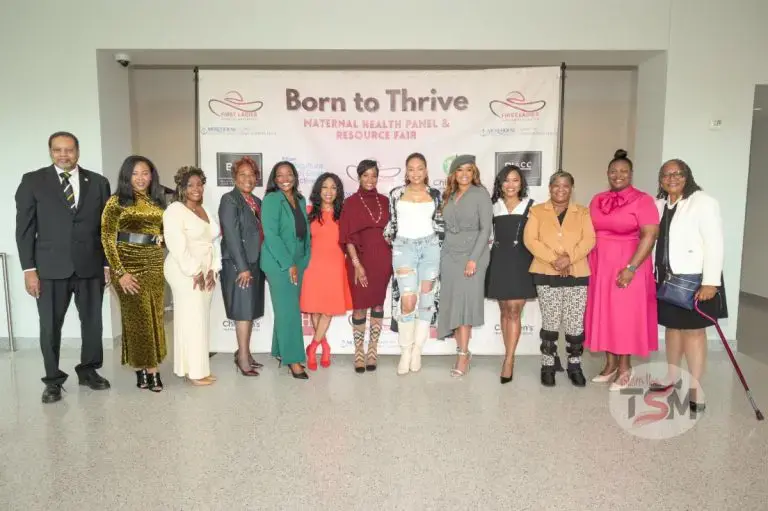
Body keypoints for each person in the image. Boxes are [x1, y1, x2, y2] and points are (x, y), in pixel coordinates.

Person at [15, 131, 112, 404]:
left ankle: (89, 370)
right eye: (57, 150)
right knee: (49, 327)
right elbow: (24, 229)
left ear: (77, 151)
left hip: (90, 266)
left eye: (68, 150)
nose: (63, 155)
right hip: (49, 268)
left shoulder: (98, 182)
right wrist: (28, 269)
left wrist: (107, 264)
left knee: (93, 323)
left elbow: (105, 229)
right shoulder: (33, 181)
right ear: (50, 152)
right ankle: (53, 380)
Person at [649, 159, 726, 413]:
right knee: (672, 329)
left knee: (693, 333)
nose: (672, 178)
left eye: (677, 174)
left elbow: (714, 243)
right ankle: (671, 377)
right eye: (666, 175)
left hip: (695, 281)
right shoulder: (659, 204)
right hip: (666, 279)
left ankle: (695, 387)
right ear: (660, 179)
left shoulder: (703, 202)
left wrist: (711, 283)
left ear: (687, 176)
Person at [585, 149, 660, 391]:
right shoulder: (597, 199)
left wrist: (631, 267)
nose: (618, 175)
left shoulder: (643, 200)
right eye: (614, 171)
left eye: (624, 171)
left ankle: (625, 368)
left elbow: (650, 236)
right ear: (607, 173)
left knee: (625, 316)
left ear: (631, 174)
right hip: (600, 264)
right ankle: (610, 365)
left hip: (630, 264)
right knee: (605, 313)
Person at [101, 155, 167, 391]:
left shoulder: (158, 202)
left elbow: (165, 233)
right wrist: (120, 273)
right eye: (135, 173)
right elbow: (107, 238)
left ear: (152, 176)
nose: (141, 178)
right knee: (139, 317)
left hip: (155, 264)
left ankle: (140, 366)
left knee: (153, 317)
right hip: (128, 266)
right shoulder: (116, 201)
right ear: (127, 176)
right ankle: (152, 370)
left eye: (145, 173)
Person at [524, 172, 595, 387]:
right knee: (551, 322)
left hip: (577, 272)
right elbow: (530, 240)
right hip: (546, 271)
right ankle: (548, 365)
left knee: (574, 323)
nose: (560, 189)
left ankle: (575, 365)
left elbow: (589, 239)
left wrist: (569, 259)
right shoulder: (536, 211)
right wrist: (556, 260)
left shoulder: (583, 212)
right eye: (556, 185)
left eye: (565, 186)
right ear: (549, 187)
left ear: (571, 188)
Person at [383, 152, 444, 375]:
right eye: (411, 169)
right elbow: (392, 223)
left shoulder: (436, 194)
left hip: (430, 248)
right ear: (406, 171)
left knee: (426, 299)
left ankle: (418, 349)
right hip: (404, 248)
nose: (415, 173)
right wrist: (394, 242)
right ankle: (405, 351)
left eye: (420, 168)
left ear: (426, 171)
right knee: (408, 301)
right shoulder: (396, 194)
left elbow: (440, 222)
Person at [163, 166, 221, 386]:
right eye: (190, 185)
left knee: (199, 319)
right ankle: (194, 372)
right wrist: (195, 270)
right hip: (184, 270)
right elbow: (176, 246)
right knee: (191, 319)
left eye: (199, 184)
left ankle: (197, 368)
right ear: (181, 187)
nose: (196, 189)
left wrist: (213, 269)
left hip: (206, 271)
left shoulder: (205, 209)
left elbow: (213, 242)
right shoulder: (175, 210)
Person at [437, 154, 493, 377]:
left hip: (473, 255)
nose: (464, 174)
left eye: (469, 170)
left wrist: (473, 259)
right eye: (460, 170)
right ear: (454, 173)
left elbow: (485, 229)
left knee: (465, 306)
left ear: (474, 173)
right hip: (450, 255)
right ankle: (462, 351)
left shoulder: (481, 194)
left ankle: (463, 355)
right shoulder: (450, 194)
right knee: (454, 304)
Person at [339, 160, 393, 373]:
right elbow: (348, 237)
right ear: (359, 177)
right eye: (365, 175)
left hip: (382, 260)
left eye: (373, 175)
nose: (370, 180)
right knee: (360, 305)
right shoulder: (351, 203)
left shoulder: (385, 201)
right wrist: (357, 264)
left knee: (378, 305)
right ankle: (358, 350)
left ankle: (373, 349)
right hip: (358, 259)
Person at [486, 164, 537, 384]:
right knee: (505, 309)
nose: (510, 185)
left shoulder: (531, 206)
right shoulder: (493, 206)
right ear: (500, 184)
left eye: (515, 180)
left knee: (515, 309)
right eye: (506, 180)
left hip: (521, 261)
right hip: (498, 260)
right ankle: (507, 352)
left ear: (521, 183)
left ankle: (509, 359)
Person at [260, 161, 311, 380]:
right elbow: (271, 235)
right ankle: (294, 360)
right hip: (278, 262)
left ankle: (281, 351)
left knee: (286, 309)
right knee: (289, 311)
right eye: (279, 175)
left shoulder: (299, 199)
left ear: (295, 176)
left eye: (289, 174)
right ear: (274, 178)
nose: (284, 178)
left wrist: (304, 258)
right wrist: (288, 263)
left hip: (297, 260)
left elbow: (304, 231)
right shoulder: (271, 200)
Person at [219, 156, 266, 377]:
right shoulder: (230, 200)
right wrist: (243, 267)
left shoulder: (257, 201)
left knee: (250, 311)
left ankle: (244, 352)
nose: (248, 179)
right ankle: (243, 359)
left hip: (255, 263)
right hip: (239, 266)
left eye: (251, 174)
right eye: (242, 174)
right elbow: (231, 235)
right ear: (235, 178)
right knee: (243, 312)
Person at [300, 172, 352, 370]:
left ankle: (313, 347)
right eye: (325, 187)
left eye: (333, 187)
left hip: (335, 265)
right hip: (313, 266)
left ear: (338, 191)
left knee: (328, 309)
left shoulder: (343, 214)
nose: (329, 191)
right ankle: (325, 346)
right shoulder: (309, 211)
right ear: (318, 190)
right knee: (315, 307)